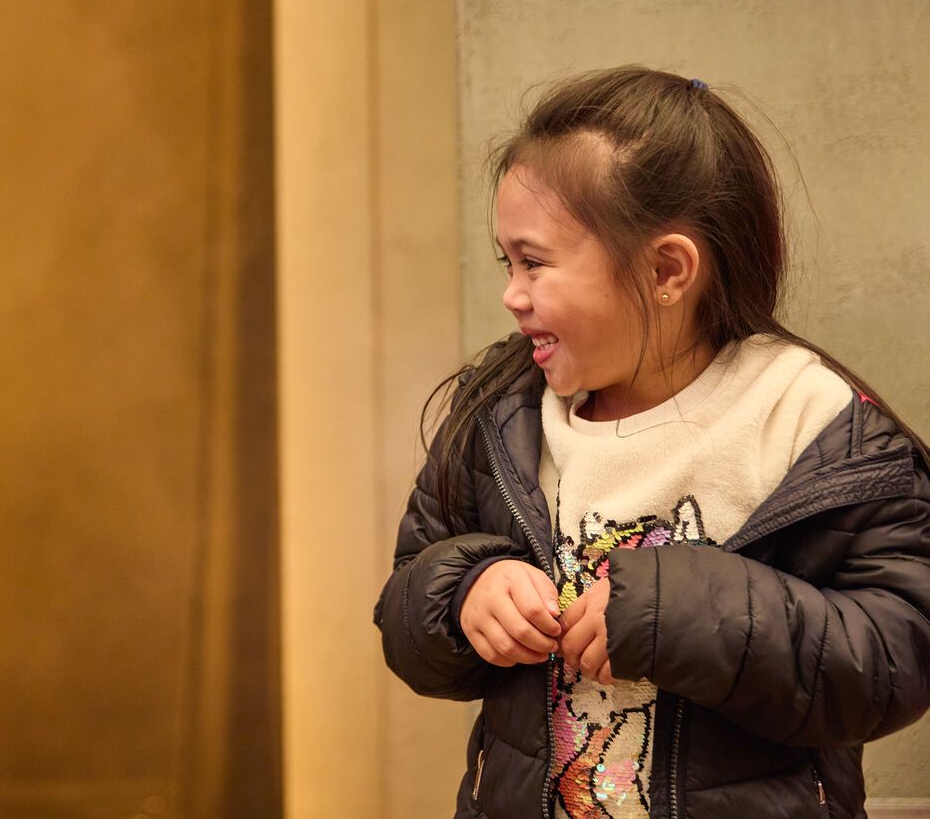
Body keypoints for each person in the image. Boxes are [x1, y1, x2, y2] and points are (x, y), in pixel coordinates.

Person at [373, 66, 930, 818]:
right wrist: (463, 590)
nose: (511, 292)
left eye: (534, 262)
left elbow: (892, 660)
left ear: (667, 269)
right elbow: (407, 606)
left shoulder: (810, 424)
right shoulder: (500, 415)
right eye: (508, 262)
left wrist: (677, 608)